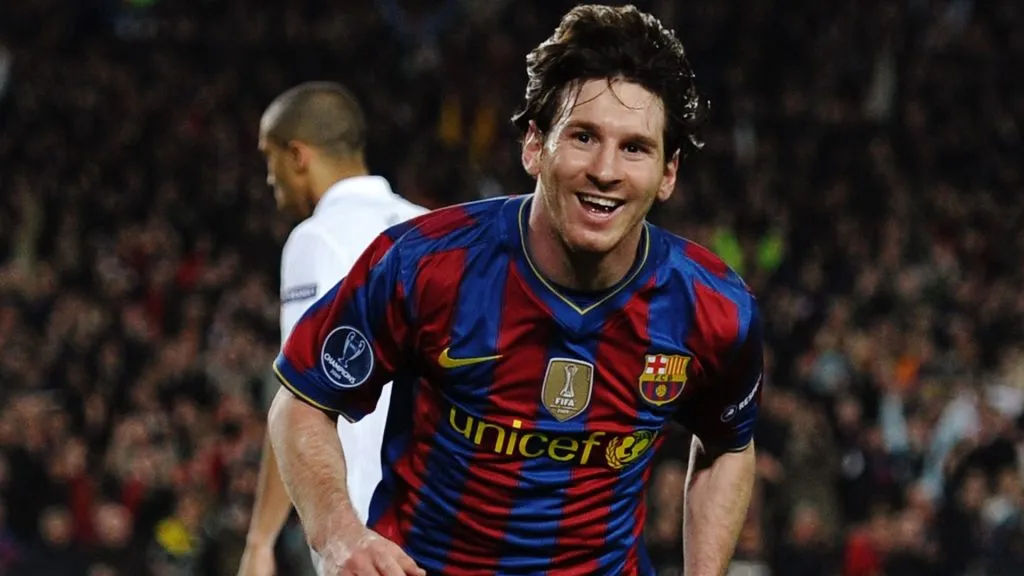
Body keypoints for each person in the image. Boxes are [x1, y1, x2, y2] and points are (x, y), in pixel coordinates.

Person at [269, 5, 764, 576]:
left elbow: (727, 445)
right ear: (534, 146)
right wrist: (338, 537)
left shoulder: (716, 309)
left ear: (668, 172)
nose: (606, 170)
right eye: (583, 136)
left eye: (635, 148)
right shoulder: (424, 265)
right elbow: (302, 400)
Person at [237, 81, 427, 576]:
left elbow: (301, 399)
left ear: (298, 155)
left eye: (269, 157)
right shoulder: (434, 228)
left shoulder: (316, 240)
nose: (267, 177)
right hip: (442, 528)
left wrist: (260, 541)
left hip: (364, 538)